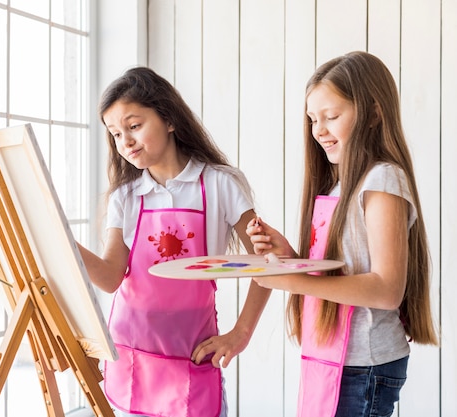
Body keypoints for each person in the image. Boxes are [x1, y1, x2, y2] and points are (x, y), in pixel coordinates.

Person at [246, 51, 438, 417]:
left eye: (331, 116)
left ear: (373, 113)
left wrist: (291, 281)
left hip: (363, 364)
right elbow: (343, 266)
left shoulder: (382, 179)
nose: (319, 130)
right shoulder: (337, 187)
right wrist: (289, 256)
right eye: (313, 119)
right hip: (331, 355)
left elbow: (386, 289)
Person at [77, 66, 271, 417]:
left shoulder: (220, 183)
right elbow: (109, 277)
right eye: (116, 134)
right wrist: (64, 245)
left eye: (134, 126)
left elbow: (269, 263)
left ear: (168, 119)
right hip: (130, 355)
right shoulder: (126, 196)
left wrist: (240, 333)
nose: (127, 142)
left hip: (190, 356)